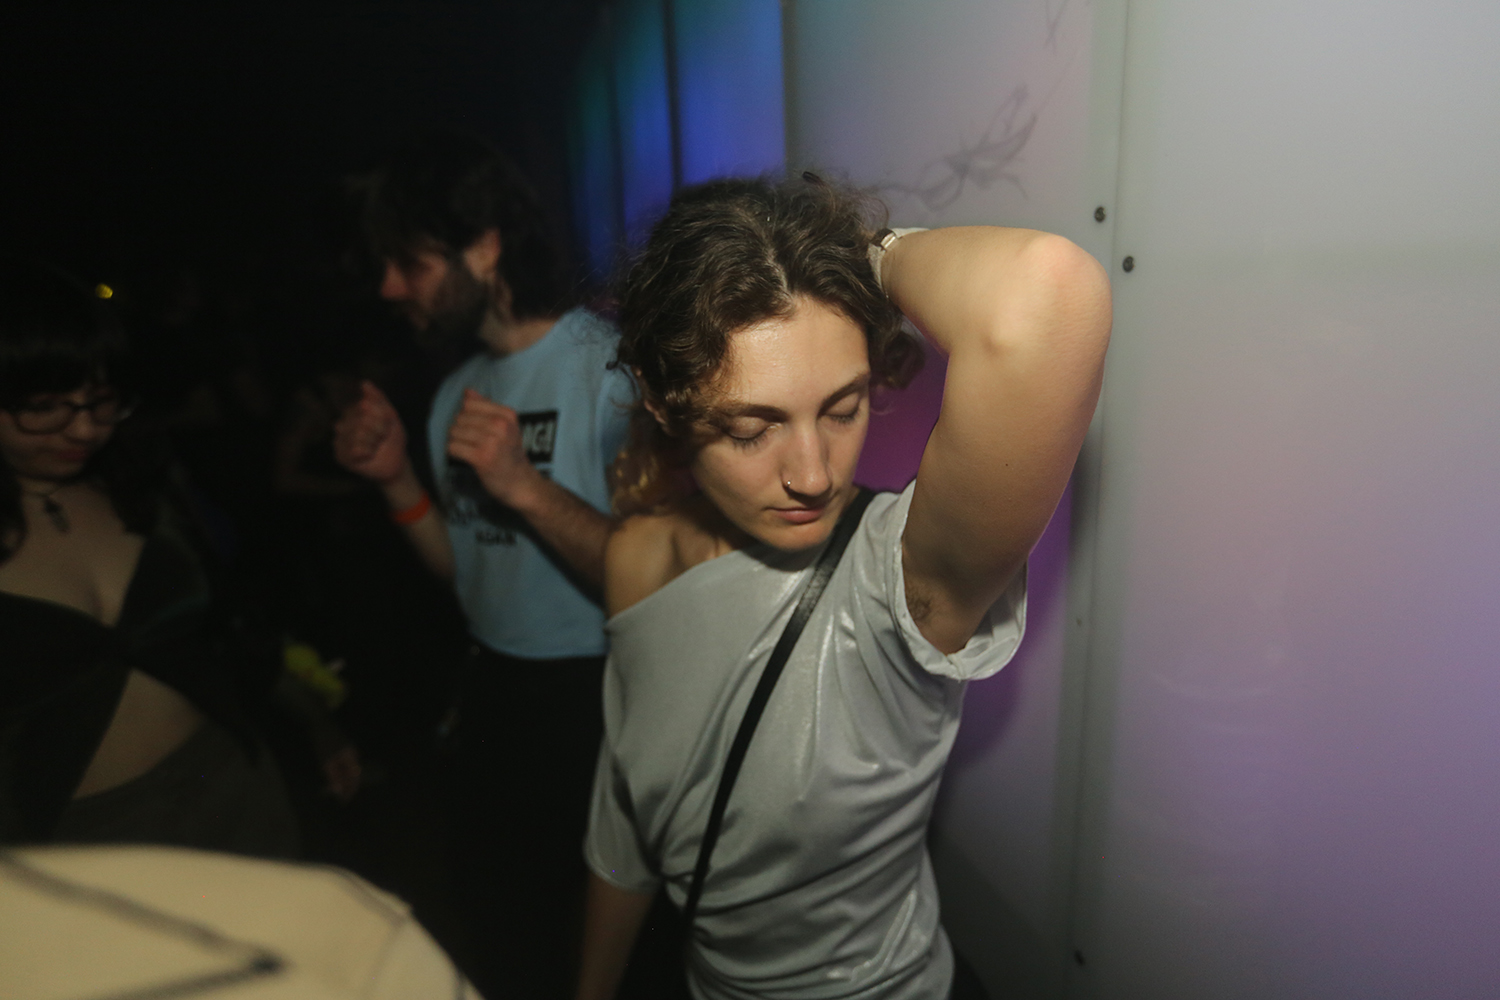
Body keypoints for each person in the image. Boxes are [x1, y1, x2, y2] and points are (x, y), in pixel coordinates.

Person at [575, 175, 1112, 1000]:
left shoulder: (893, 585)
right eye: (750, 428)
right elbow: (626, 826)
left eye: (843, 407)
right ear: (663, 403)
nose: (813, 473)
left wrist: (846, 254)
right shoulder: (637, 558)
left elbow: (1048, 296)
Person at [333, 132, 632, 998]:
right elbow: (467, 575)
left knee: (606, 943)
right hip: (495, 692)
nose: (390, 288)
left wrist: (525, 488)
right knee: (504, 927)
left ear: (486, 246)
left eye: (410, 263)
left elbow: (661, 586)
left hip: (600, 697)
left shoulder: (610, 370)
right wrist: (396, 479)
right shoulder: (452, 391)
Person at [0, 256, 301, 857]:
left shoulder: (135, 483)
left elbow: (225, 630)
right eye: (45, 406)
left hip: (235, 783)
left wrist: (315, 722)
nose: (84, 430)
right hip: (88, 845)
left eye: (101, 400)